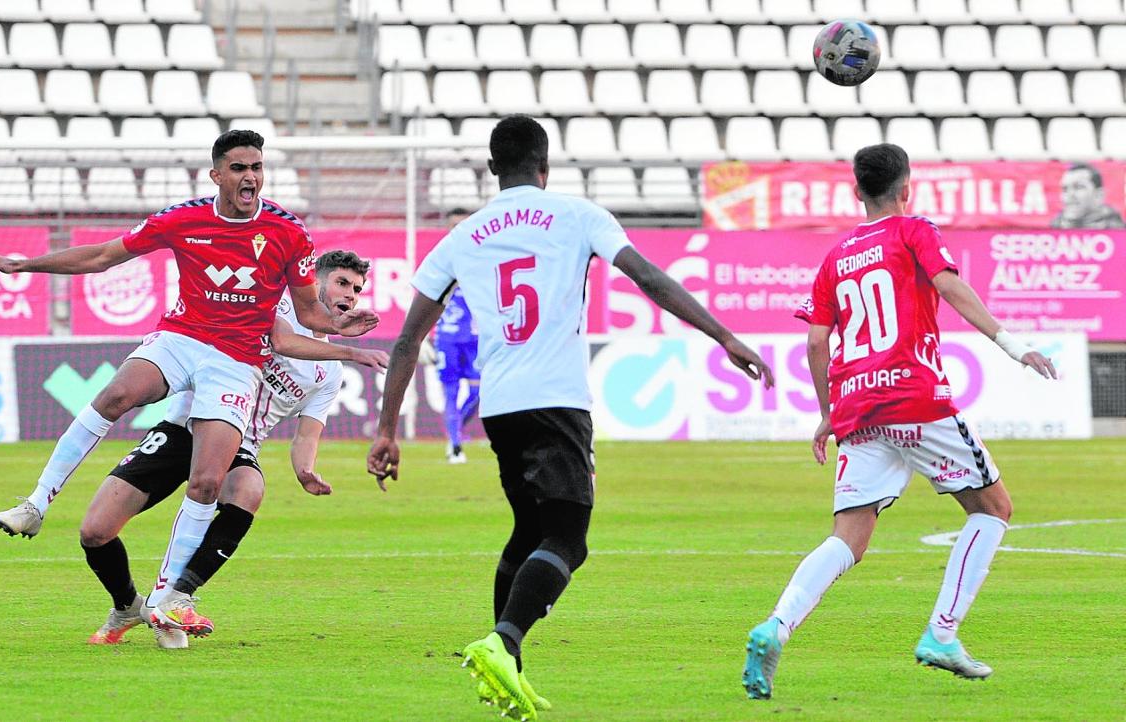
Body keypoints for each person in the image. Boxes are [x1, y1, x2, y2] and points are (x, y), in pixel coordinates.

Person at [366, 115, 774, 719]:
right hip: (557, 399)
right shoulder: (578, 214)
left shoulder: (462, 236)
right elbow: (649, 279)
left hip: (500, 408)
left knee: (529, 533)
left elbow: (405, 342)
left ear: (492, 169)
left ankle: (507, 671)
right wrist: (722, 336)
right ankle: (503, 644)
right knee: (568, 539)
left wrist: (386, 430)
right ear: (546, 166)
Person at [0, 130, 378, 631]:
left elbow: (310, 311)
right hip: (182, 335)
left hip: (236, 360)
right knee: (116, 395)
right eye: (238, 168)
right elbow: (102, 256)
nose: (249, 176)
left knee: (211, 480)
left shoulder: (290, 234)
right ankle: (35, 503)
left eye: (256, 167)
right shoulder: (183, 219)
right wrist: (23, 264)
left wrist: (338, 328)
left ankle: (166, 600)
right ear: (217, 175)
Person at [741, 143, 1057, 700]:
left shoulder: (836, 256)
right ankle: (942, 632)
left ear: (856, 191)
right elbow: (949, 285)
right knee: (994, 507)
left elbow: (817, 340)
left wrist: (827, 414)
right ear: (906, 187)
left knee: (848, 538)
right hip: (916, 396)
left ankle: (775, 626)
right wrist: (1013, 345)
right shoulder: (914, 230)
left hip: (858, 405)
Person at [81, 251, 386, 648]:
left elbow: (307, 434)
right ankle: (126, 605)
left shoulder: (329, 373)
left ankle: (177, 597)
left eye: (357, 289)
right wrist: (351, 349)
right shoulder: (273, 307)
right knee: (95, 531)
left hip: (240, 444)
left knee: (248, 489)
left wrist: (306, 470)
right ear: (316, 282)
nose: (350, 294)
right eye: (342, 283)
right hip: (185, 426)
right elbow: (284, 341)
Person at [424, 208, 481, 464]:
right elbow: (426, 300)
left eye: (462, 224)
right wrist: (424, 336)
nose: (458, 229)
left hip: (475, 338)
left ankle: (455, 430)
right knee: (450, 392)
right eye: (454, 225)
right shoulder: (441, 259)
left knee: (478, 394)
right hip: (447, 338)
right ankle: (455, 445)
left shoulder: (482, 257)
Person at [1051, 162, 1125, 229]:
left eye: (1078, 187)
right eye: (1065, 189)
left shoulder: (1118, 230)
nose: (1070, 195)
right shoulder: (1053, 229)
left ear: (1098, 195)